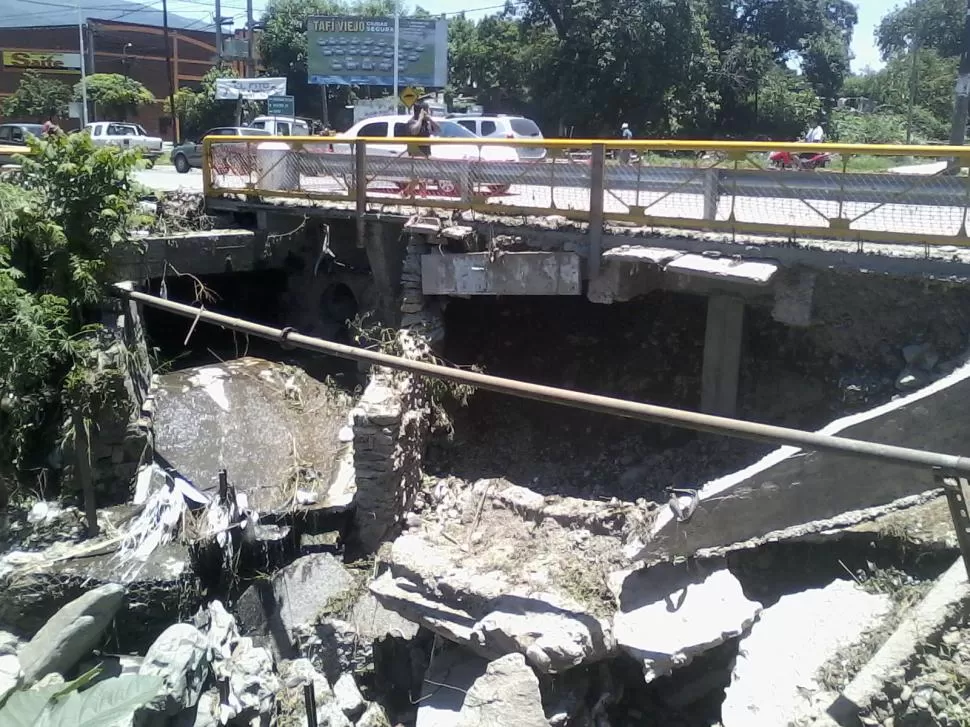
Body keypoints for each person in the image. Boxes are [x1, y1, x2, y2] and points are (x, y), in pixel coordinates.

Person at [403, 102, 439, 198]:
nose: (428, 112)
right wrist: (420, 118)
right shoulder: (412, 122)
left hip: (425, 152)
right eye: (426, 110)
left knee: (423, 177)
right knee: (417, 177)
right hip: (415, 153)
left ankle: (422, 196)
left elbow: (438, 129)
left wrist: (430, 119)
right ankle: (406, 193)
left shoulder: (426, 123)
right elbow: (414, 131)